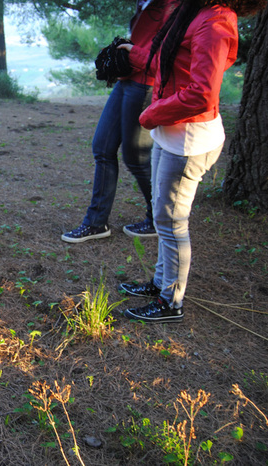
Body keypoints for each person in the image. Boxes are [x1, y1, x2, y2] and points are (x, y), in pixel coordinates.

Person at [118, 0, 266, 322]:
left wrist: (149, 115)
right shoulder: (192, 10)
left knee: (172, 222)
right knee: (163, 216)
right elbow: (168, 63)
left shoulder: (215, 20)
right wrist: (134, 54)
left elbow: (201, 93)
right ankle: (161, 283)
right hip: (170, 133)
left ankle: (171, 301)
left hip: (188, 140)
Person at [61, 0, 176, 243]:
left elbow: (166, 59)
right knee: (102, 147)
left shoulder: (172, 5)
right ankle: (95, 223)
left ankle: (159, 218)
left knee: (136, 158)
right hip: (129, 79)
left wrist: (132, 52)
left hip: (145, 84)